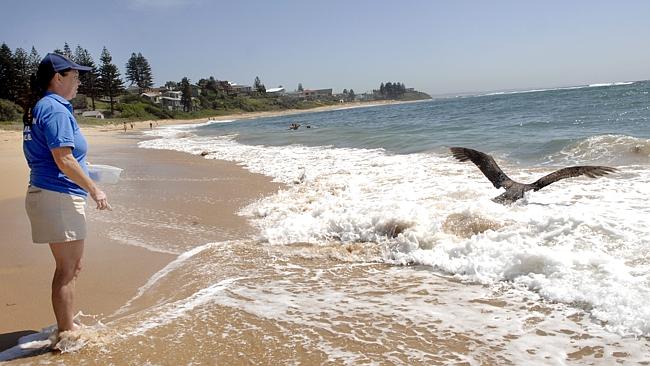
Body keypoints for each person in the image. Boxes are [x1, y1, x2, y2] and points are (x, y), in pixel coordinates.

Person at [22, 53, 111, 337]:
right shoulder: (56, 109)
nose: (79, 82)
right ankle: (66, 334)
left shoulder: (43, 107)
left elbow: (55, 157)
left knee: (70, 266)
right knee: (67, 269)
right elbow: (64, 158)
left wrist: (87, 172)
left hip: (48, 192)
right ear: (57, 78)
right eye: (75, 76)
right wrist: (94, 188)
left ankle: (67, 325)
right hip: (58, 195)